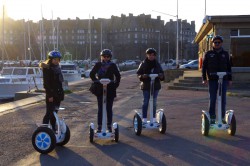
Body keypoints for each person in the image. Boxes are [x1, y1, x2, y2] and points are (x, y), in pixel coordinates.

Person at [202, 35, 232, 124]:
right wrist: (204, 78)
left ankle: (222, 117)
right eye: (215, 42)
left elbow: (229, 67)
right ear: (213, 43)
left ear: (221, 43)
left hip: (223, 79)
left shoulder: (225, 54)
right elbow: (204, 67)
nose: (217, 44)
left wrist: (230, 79)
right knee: (213, 98)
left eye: (219, 42)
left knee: (223, 99)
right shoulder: (208, 53)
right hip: (212, 79)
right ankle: (212, 117)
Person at [90, 49, 121, 132]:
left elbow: (118, 76)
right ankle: (99, 126)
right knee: (100, 108)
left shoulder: (113, 65)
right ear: (101, 57)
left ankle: (109, 126)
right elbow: (92, 74)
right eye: (104, 56)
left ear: (110, 57)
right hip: (100, 89)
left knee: (109, 108)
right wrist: (96, 81)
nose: (106, 58)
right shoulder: (98, 64)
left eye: (107, 57)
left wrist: (115, 84)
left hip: (110, 89)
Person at [137, 48, 165, 126]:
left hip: (155, 85)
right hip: (146, 85)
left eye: (153, 55)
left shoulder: (157, 64)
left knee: (154, 102)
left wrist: (161, 75)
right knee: (146, 101)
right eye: (150, 55)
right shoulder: (143, 63)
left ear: (155, 56)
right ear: (147, 55)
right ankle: (144, 119)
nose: (151, 56)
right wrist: (143, 76)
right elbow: (139, 74)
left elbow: (162, 74)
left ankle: (153, 118)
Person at [39, 50, 64, 132]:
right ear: (50, 59)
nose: (56, 61)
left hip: (58, 94)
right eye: (55, 59)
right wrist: (50, 96)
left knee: (55, 113)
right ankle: (44, 130)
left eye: (58, 59)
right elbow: (46, 84)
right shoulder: (47, 69)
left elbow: (60, 82)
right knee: (49, 113)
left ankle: (53, 130)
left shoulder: (58, 68)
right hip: (51, 95)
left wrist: (61, 93)